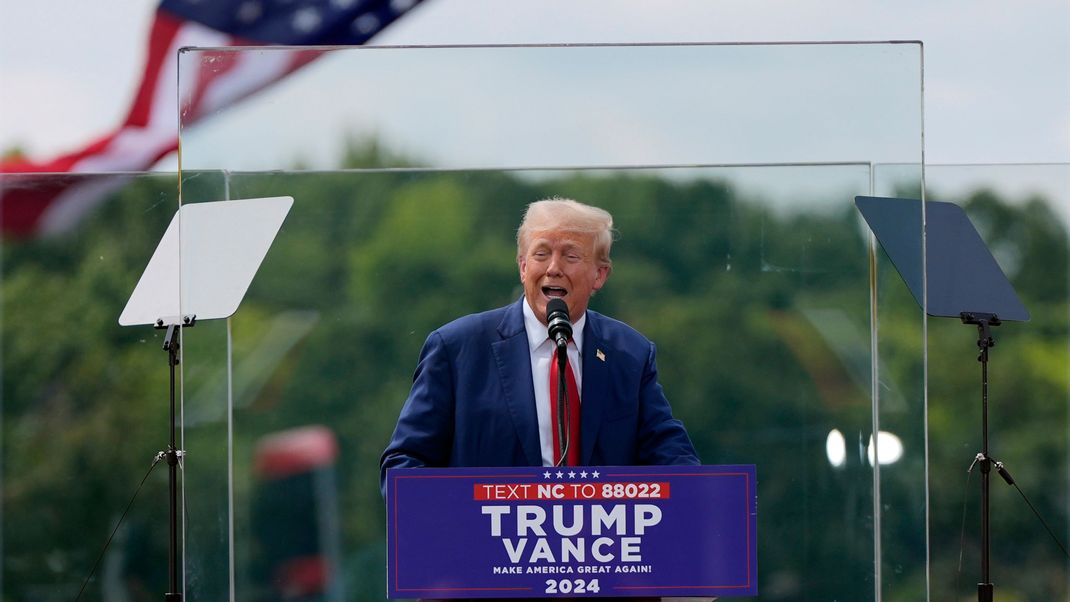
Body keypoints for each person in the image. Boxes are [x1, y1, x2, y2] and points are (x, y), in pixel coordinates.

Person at [380, 197, 698, 493]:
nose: (553, 268)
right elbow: (405, 464)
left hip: (599, 549)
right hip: (486, 550)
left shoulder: (630, 354)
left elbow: (669, 454)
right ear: (522, 267)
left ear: (600, 275)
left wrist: (707, 498)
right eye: (541, 254)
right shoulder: (457, 350)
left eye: (571, 256)